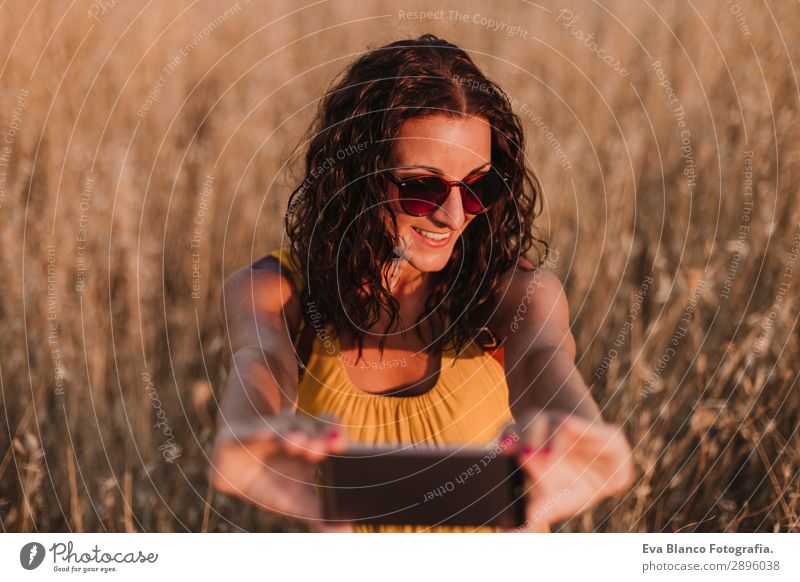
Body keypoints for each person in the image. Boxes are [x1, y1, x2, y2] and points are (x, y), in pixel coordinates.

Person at [209, 34, 634, 533]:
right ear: (356, 177)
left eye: (479, 187)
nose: (452, 215)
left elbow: (542, 358)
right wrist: (251, 434)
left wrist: (576, 437)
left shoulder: (515, 295)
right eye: (421, 186)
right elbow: (261, 361)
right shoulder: (275, 291)